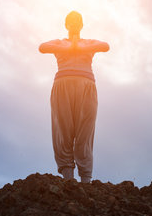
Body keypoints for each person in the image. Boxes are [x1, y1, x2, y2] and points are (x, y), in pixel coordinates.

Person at [39, 11, 109, 183]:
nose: (75, 23)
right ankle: (69, 180)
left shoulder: (89, 42)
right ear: (66, 24)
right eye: (71, 20)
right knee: (63, 130)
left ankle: (86, 179)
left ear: (82, 24)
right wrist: (70, 47)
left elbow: (105, 46)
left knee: (85, 130)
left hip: (87, 86)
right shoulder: (59, 42)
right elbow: (42, 47)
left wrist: (80, 46)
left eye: (78, 20)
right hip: (62, 85)